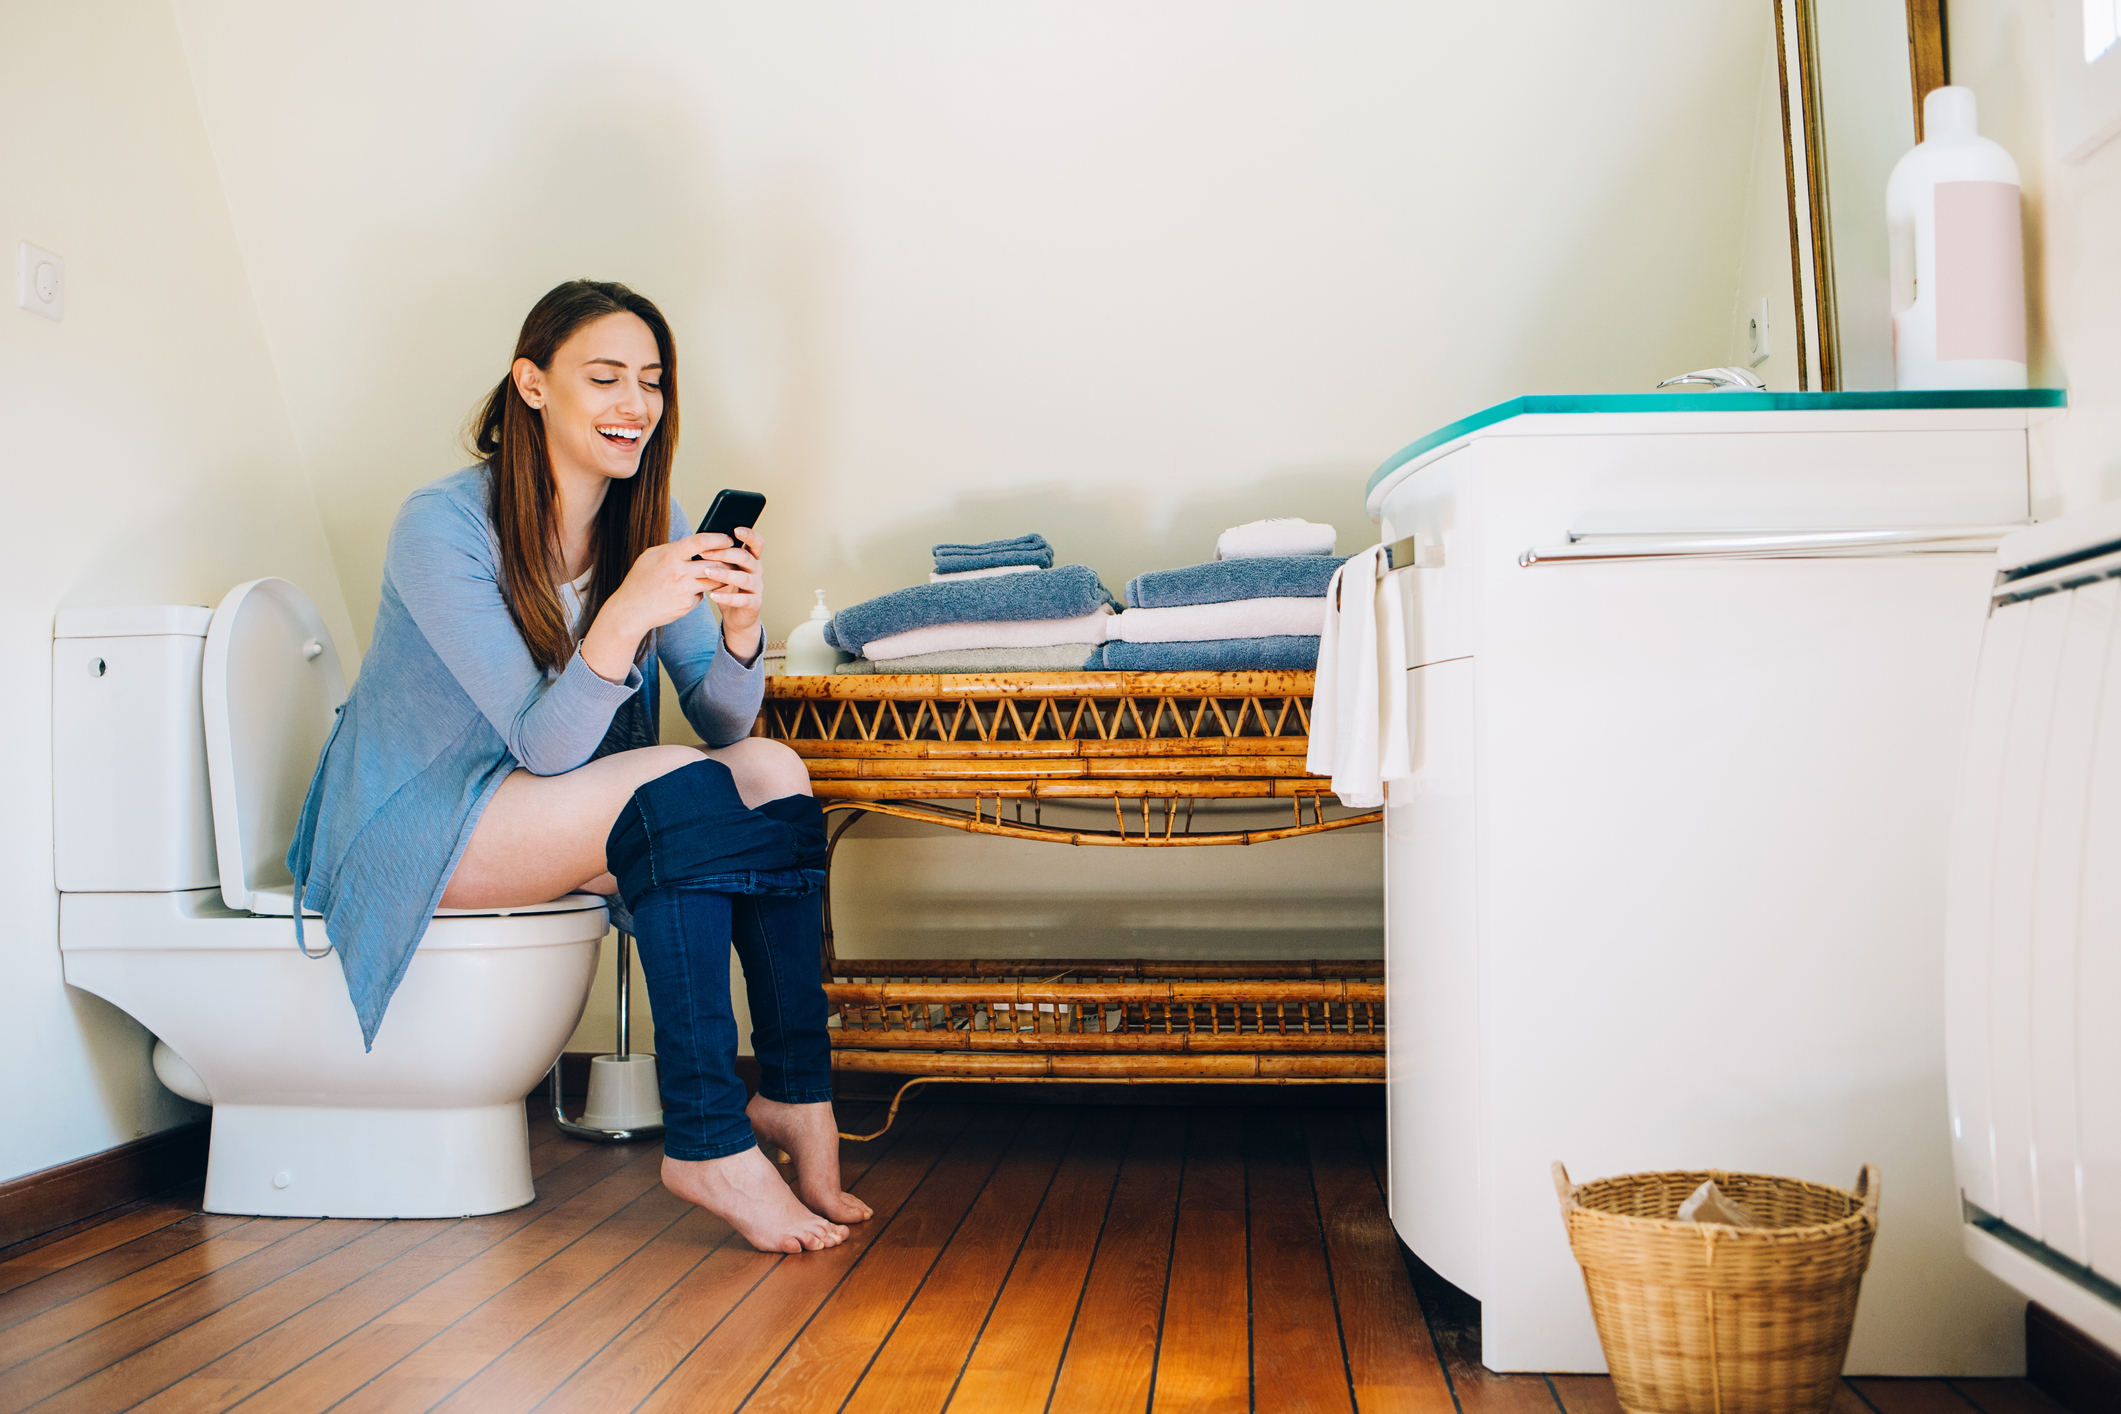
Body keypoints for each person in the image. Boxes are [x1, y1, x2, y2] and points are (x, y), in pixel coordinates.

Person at [286, 279, 869, 1252]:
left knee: (772, 771)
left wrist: (737, 628)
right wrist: (627, 613)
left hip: (544, 807)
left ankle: (796, 1094)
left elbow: (727, 725)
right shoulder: (442, 526)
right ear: (532, 384)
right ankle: (708, 1138)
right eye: (604, 377)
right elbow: (543, 743)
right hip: (418, 816)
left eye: (651, 381)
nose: (634, 404)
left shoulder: (652, 517)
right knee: (669, 781)